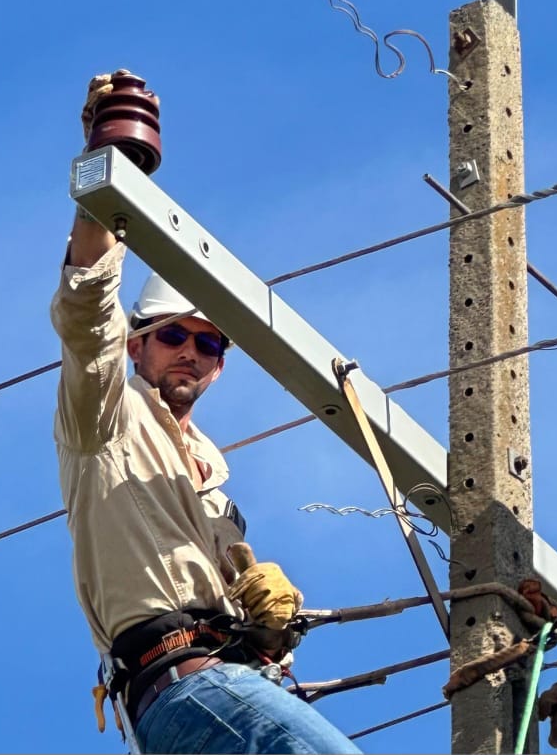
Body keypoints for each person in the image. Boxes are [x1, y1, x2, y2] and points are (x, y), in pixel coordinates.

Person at [51, 70, 360, 754]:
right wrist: (112, 170)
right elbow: (86, 313)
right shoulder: (104, 415)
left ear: (221, 363)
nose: (190, 352)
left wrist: (268, 621)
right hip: (185, 684)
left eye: (208, 342)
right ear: (136, 345)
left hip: (218, 688)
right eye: (171, 335)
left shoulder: (214, 489)